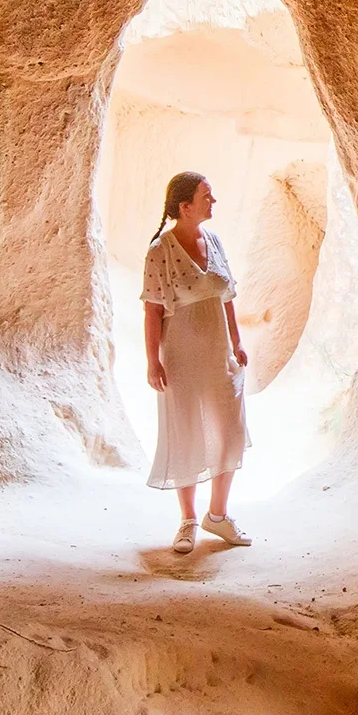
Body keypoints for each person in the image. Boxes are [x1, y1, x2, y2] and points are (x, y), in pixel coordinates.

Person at [142, 171, 250, 553]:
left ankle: (217, 516)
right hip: (181, 357)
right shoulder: (161, 250)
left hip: (219, 354)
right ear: (185, 207)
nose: (213, 201)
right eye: (207, 196)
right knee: (186, 432)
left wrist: (237, 342)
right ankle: (187, 521)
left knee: (229, 431)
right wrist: (153, 362)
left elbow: (227, 296)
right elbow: (153, 311)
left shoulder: (215, 241)